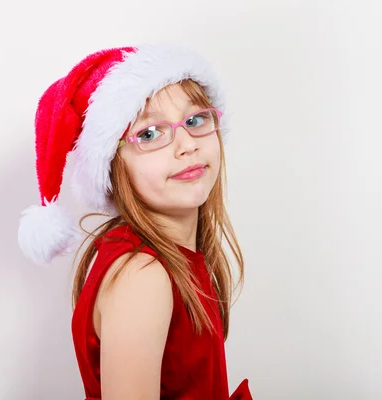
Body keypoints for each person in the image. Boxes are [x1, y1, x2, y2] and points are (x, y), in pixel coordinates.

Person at [17, 44, 253, 400]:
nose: (186, 144)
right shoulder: (143, 277)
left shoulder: (170, 259)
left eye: (195, 120)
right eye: (149, 134)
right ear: (114, 166)